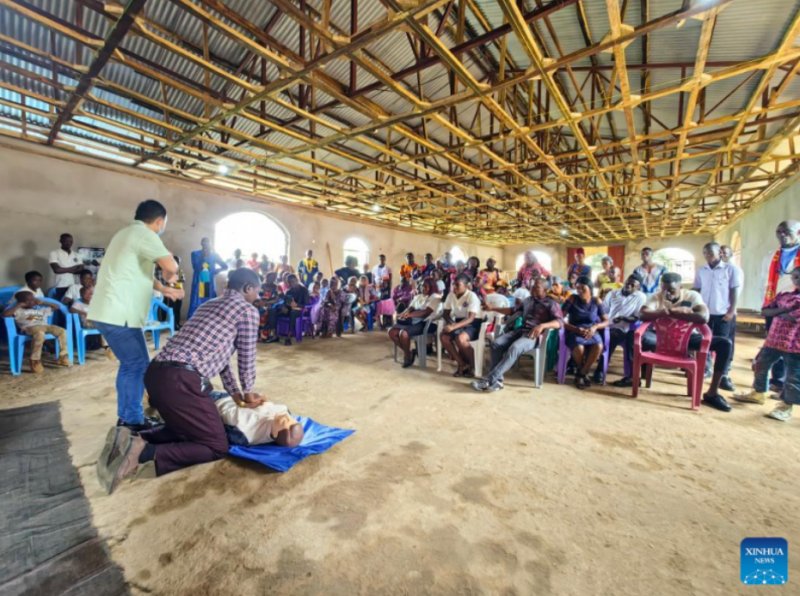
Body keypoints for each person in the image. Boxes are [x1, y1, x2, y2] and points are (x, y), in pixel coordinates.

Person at [96, 269, 300, 493]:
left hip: (156, 375)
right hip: (181, 380)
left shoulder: (209, 305)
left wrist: (235, 394)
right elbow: (246, 356)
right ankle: (141, 451)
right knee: (215, 445)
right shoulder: (247, 311)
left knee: (188, 427)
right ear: (247, 288)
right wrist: (249, 390)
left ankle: (131, 436)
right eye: (257, 291)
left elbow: (221, 360)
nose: (257, 296)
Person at [89, 200, 183, 431]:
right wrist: (171, 276)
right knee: (135, 364)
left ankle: (129, 416)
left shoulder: (124, 234)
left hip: (110, 311)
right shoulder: (146, 234)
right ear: (159, 221)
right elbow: (171, 265)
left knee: (133, 364)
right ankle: (130, 419)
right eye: (163, 224)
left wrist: (163, 288)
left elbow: (137, 272)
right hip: (119, 313)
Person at [633, 273, 733, 412]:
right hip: (662, 337)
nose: (667, 293)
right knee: (639, 338)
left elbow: (703, 317)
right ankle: (636, 377)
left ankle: (712, 392)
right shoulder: (656, 296)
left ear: (680, 287)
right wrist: (669, 311)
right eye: (664, 289)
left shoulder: (691, 296)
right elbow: (642, 314)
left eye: (671, 290)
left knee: (725, 344)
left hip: (688, 337)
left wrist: (669, 312)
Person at [472, 278, 562, 392]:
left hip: (533, 336)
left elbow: (559, 322)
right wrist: (492, 308)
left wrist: (542, 326)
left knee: (514, 347)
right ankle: (498, 381)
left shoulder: (551, 303)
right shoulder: (528, 300)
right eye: (533, 286)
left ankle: (489, 380)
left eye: (537, 287)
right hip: (520, 331)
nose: (533, 288)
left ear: (545, 289)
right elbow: (512, 310)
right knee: (495, 344)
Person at [734, 267, 800, 421]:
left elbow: (792, 317)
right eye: (795, 277)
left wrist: (777, 311)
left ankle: (786, 406)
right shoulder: (784, 295)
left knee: (793, 376)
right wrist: (783, 311)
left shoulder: (784, 299)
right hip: (774, 339)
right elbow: (765, 311)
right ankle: (758, 393)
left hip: (794, 344)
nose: (796, 280)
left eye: (799, 277)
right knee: (760, 364)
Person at [693, 242, 740, 391]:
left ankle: (723, 375)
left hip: (723, 314)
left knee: (723, 345)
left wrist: (731, 311)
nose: (707, 256)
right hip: (705, 313)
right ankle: (705, 369)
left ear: (719, 253)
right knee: (704, 342)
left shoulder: (731, 269)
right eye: (705, 253)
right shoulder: (702, 270)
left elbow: (734, 291)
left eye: (710, 253)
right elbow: (697, 289)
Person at [761, 220, 800, 392]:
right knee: (772, 345)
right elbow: (765, 282)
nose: (782, 234)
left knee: (792, 349)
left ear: (798, 233)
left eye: (787, 231)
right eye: (779, 231)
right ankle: (776, 381)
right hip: (775, 305)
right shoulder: (771, 256)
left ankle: (787, 388)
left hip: (796, 309)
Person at [3, 290, 71, 373]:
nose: (33, 301)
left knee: (62, 331)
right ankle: (35, 360)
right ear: (22, 302)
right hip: (30, 328)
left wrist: (44, 303)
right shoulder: (18, 310)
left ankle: (63, 356)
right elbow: (4, 315)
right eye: (29, 300)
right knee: (39, 334)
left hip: (45, 327)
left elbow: (57, 306)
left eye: (33, 299)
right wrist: (18, 305)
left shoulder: (40, 310)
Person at [561, 277, 610, 389]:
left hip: (591, 330)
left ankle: (581, 373)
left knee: (598, 345)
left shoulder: (596, 301)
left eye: (583, 287)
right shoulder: (572, 299)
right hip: (575, 330)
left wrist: (595, 327)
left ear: (590, 288)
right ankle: (583, 373)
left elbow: (607, 321)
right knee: (579, 348)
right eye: (577, 288)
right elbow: (559, 319)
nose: (579, 290)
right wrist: (575, 329)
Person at [599, 275, 646, 386]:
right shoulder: (613, 293)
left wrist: (622, 318)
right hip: (608, 325)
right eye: (627, 283)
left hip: (626, 328)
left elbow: (637, 315)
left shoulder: (640, 297)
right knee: (591, 334)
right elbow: (604, 311)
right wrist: (605, 322)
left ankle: (600, 371)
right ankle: (579, 367)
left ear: (638, 287)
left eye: (632, 284)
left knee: (612, 337)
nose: (628, 286)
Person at [388, 277, 442, 368]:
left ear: (432, 286)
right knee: (391, 332)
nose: (423, 288)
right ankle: (409, 353)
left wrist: (409, 315)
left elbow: (426, 313)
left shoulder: (435, 297)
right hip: (414, 321)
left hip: (428, 323)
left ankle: (407, 357)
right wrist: (403, 314)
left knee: (403, 334)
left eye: (426, 286)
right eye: (422, 286)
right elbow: (410, 308)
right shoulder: (418, 296)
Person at [439, 273, 483, 378]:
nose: (454, 287)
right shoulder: (451, 295)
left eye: (457, 285)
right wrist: (451, 323)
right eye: (453, 284)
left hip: (473, 323)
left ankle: (472, 366)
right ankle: (462, 364)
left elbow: (471, 318)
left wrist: (453, 327)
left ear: (466, 286)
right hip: (458, 322)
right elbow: (445, 314)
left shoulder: (471, 296)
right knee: (444, 336)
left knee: (461, 339)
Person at [188, 237, 228, 318]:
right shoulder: (195, 254)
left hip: (207, 281)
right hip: (200, 280)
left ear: (210, 244)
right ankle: (193, 321)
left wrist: (214, 271)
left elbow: (225, 266)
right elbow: (196, 267)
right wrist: (204, 258)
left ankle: (205, 320)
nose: (205, 245)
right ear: (201, 244)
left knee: (205, 301)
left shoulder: (214, 255)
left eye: (207, 243)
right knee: (197, 301)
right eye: (204, 243)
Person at [265, 274, 309, 345]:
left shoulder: (304, 290)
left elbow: (306, 304)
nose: (292, 283)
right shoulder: (289, 291)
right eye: (290, 282)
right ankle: (274, 335)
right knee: (272, 310)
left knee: (293, 312)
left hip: (299, 310)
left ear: (297, 280)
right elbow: (285, 301)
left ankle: (288, 337)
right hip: (288, 309)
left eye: (293, 281)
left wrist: (297, 305)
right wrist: (283, 307)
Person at [70, 286, 113, 358]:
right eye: (86, 294)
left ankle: (108, 347)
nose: (89, 296)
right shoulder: (78, 303)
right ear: (81, 295)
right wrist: (83, 313)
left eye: (91, 294)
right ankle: (107, 347)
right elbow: (71, 310)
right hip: (87, 324)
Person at [49, 233, 83, 301]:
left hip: (74, 285)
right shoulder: (54, 253)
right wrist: (74, 268)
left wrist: (63, 269)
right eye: (66, 241)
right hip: (60, 285)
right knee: (61, 306)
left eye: (70, 241)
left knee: (73, 306)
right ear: (60, 241)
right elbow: (56, 270)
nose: (68, 243)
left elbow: (81, 270)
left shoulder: (77, 255)